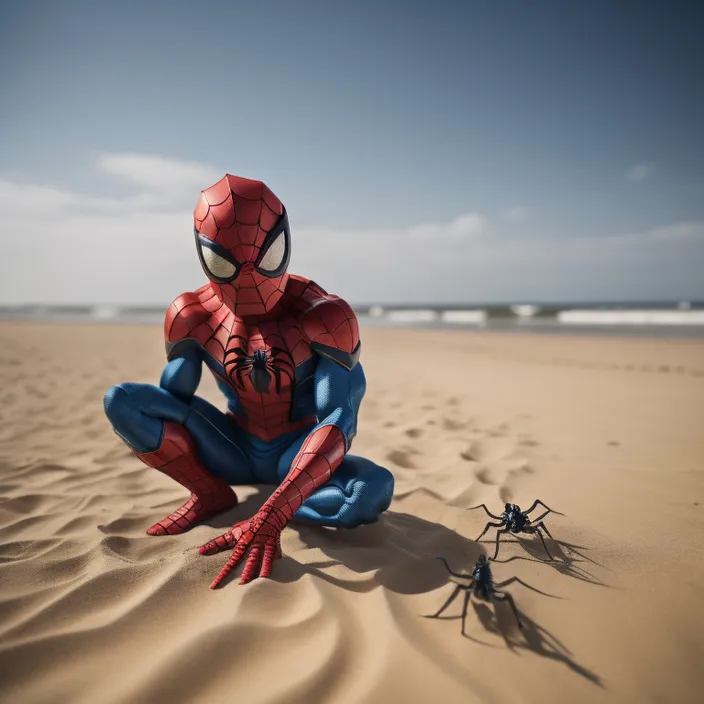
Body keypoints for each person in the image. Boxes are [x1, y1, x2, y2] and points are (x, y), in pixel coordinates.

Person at [103, 174, 394, 587]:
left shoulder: (324, 316)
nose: (250, 279)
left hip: (295, 451)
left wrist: (271, 514)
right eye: (227, 264)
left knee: (370, 491)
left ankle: (279, 504)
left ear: (283, 241)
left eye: (265, 258)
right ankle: (210, 494)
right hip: (231, 446)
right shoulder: (192, 314)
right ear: (205, 254)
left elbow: (339, 421)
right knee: (121, 400)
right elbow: (173, 400)